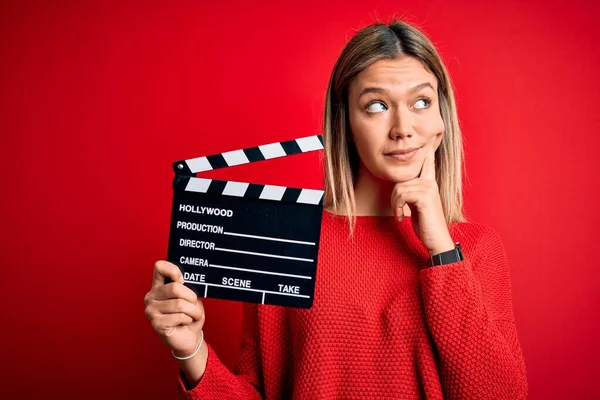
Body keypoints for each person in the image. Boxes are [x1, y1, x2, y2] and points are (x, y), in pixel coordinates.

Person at [144, 19, 529, 399]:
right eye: (376, 105)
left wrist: (442, 251)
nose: (403, 128)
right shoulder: (285, 241)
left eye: (421, 102)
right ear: (344, 122)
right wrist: (191, 349)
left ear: (441, 120)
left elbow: (501, 394)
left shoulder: (475, 248)